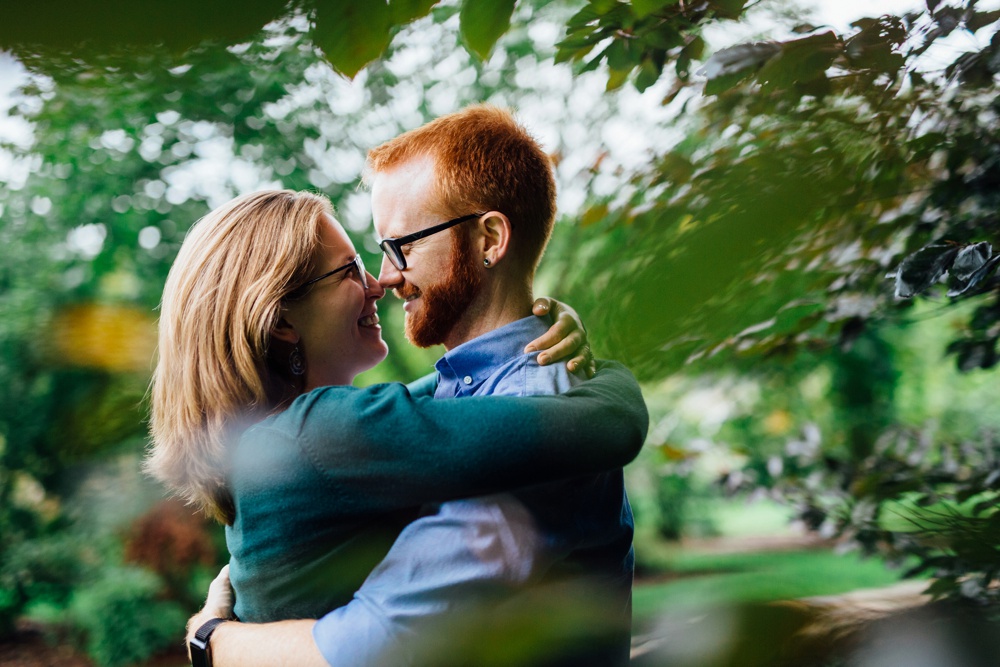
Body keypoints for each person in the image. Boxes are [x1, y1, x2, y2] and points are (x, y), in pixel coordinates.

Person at [183, 106, 640, 666]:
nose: (384, 279)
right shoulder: (436, 408)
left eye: (400, 245)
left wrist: (212, 639)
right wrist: (613, 380)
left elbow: (374, 646)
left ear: (490, 239)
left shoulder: (525, 403)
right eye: (362, 262)